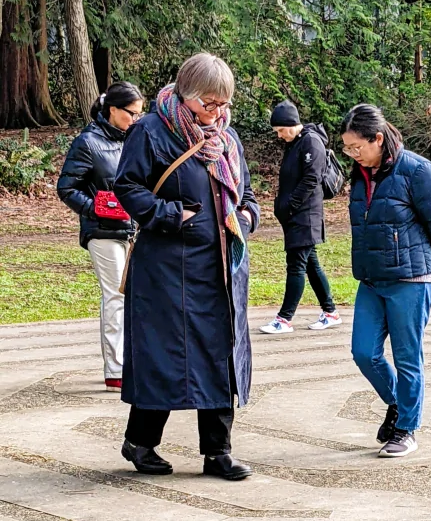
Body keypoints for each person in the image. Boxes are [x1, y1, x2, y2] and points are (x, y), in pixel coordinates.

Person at [114, 52, 260, 481]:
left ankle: (218, 452)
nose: (216, 112)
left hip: (221, 268)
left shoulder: (227, 139)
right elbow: (127, 185)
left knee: (221, 356)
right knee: (165, 355)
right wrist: (168, 213)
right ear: (185, 94)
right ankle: (140, 442)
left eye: (223, 103)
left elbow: (245, 193)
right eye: (208, 104)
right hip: (166, 268)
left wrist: (247, 218)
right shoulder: (151, 130)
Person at [341, 103, 431, 458]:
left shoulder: (418, 171)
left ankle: (406, 428)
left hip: (413, 279)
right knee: (364, 352)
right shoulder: (359, 175)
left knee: (408, 357)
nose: (351, 153)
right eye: (346, 147)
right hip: (372, 279)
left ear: (378, 139)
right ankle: (397, 403)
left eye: (356, 147)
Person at [57, 82, 144, 389]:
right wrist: (97, 209)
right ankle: (116, 369)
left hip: (134, 230)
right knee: (116, 296)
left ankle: (132, 362)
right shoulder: (87, 142)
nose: (136, 118)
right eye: (131, 113)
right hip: (103, 232)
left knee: (135, 296)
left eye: (139, 113)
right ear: (112, 110)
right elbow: (66, 188)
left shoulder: (135, 140)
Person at [259, 99, 342, 335]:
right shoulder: (294, 143)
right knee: (311, 265)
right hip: (297, 216)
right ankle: (330, 312)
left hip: (305, 216)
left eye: (280, 130)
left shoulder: (311, 142)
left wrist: (289, 206)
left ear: (291, 124)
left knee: (296, 266)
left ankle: (284, 319)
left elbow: (311, 180)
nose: (279, 136)